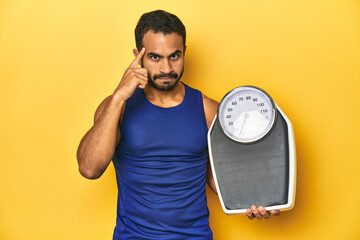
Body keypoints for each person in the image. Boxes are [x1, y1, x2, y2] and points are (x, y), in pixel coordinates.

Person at [77, 10, 280, 239]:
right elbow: (89, 168)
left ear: (184, 52)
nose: (166, 69)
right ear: (137, 56)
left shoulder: (207, 109)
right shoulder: (116, 108)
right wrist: (117, 97)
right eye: (155, 57)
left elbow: (221, 177)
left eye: (174, 56)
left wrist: (257, 199)